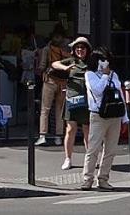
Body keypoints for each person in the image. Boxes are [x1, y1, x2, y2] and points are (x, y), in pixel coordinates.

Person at [82, 49, 128, 190]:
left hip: (114, 116)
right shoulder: (90, 74)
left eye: (106, 59)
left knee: (110, 150)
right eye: (101, 60)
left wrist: (125, 118)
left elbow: (120, 95)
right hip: (98, 115)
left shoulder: (114, 74)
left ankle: (103, 179)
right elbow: (97, 90)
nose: (104, 62)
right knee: (93, 148)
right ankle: (87, 179)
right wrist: (105, 75)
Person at [53, 36, 92, 170]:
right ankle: (68, 158)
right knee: (70, 129)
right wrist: (65, 68)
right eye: (77, 48)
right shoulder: (71, 61)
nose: (80, 50)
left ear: (87, 49)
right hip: (72, 98)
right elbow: (54, 64)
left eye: (82, 48)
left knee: (88, 129)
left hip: (87, 100)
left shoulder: (91, 62)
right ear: (74, 50)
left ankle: (90, 158)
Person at [37, 27, 69, 146]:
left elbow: (42, 66)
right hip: (63, 82)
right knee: (59, 111)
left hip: (49, 81)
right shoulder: (66, 49)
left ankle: (42, 135)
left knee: (45, 109)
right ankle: (58, 136)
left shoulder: (47, 49)